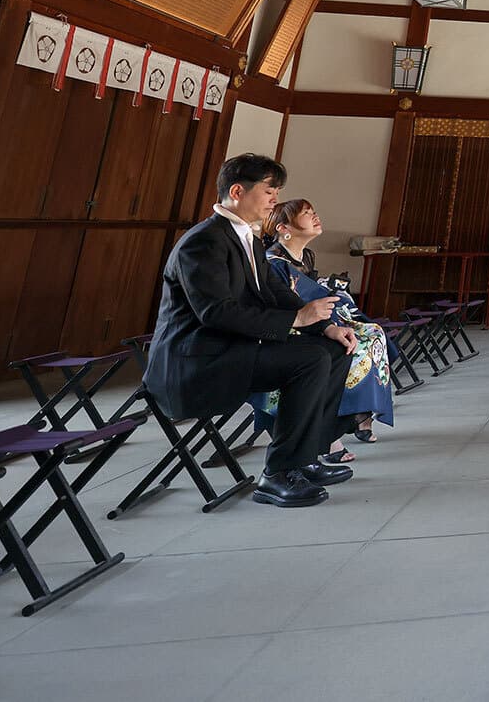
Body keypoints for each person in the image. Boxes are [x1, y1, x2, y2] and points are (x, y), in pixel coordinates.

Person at [143, 154, 357, 508]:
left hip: (231, 350)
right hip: (197, 360)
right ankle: (277, 475)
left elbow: (275, 293)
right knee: (309, 360)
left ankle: (304, 457)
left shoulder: (248, 238)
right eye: (269, 190)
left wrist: (324, 326)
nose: (275, 199)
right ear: (238, 191)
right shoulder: (203, 242)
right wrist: (296, 321)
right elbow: (215, 312)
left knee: (332, 349)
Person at [250, 199, 394, 450]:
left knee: (371, 333)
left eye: (314, 212)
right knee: (353, 344)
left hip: (314, 321)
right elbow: (282, 306)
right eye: (307, 214)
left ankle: (358, 414)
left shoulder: (305, 255)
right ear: (285, 228)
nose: (316, 217)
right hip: (288, 329)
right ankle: (330, 427)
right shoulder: (273, 261)